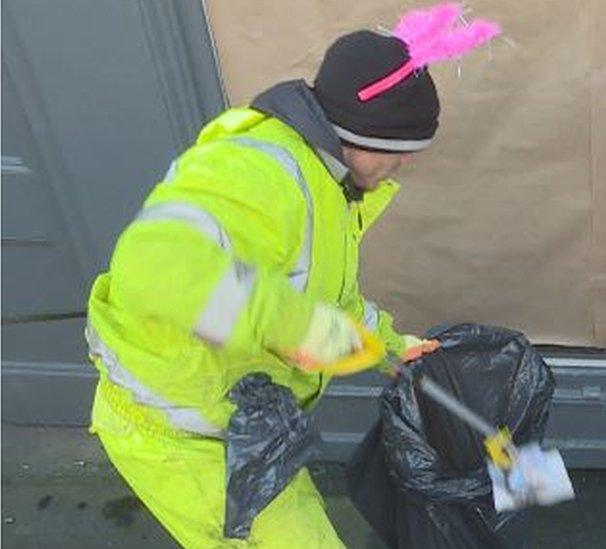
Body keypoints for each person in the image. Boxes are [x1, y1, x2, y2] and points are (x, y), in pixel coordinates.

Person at [84, 21, 492, 546]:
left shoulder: (329, 184)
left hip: (243, 425)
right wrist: (298, 328)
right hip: (179, 438)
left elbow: (322, 296)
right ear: (361, 137)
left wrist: (388, 346)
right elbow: (151, 265)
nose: (405, 163)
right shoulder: (259, 172)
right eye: (401, 147)